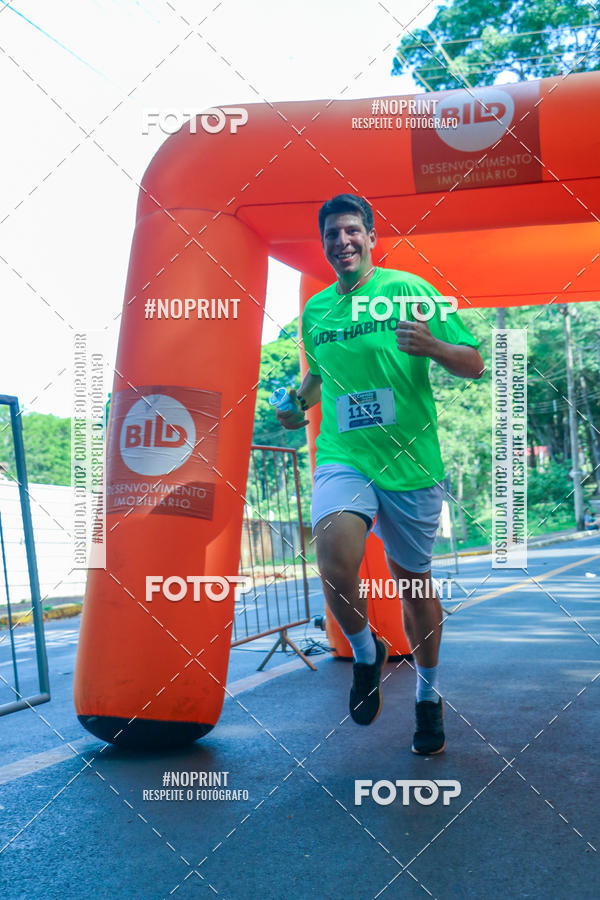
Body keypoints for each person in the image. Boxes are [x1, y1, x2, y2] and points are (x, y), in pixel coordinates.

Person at [275, 193, 484, 755]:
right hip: (344, 455)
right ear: (324, 245)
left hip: (411, 462)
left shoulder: (409, 290)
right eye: (331, 234)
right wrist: (296, 405)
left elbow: (474, 362)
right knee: (333, 558)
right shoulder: (316, 311)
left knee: (413, 585)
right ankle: (367, 654)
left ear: (370, 236)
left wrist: (433, 346)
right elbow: (316, 379)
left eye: (351, 230)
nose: (341, 241)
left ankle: (427, 696)